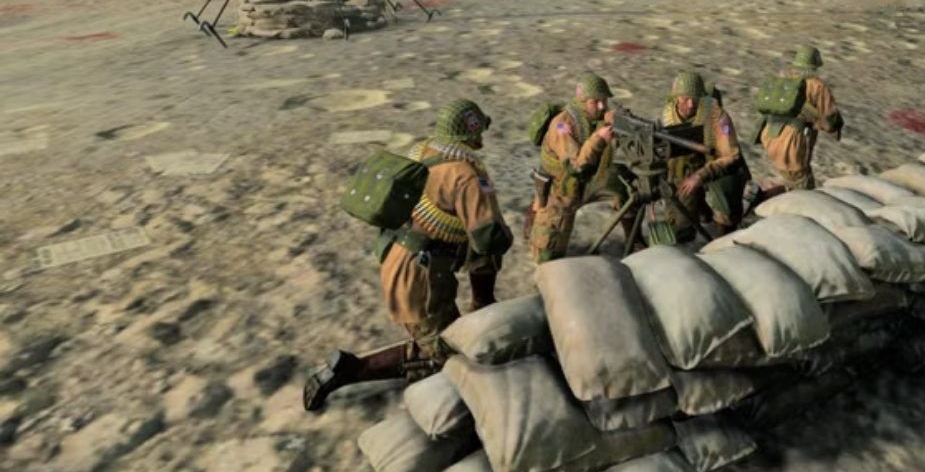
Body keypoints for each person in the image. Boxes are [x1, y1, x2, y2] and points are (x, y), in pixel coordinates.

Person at [303, 99, 512, 412]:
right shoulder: (466, 174)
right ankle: (351, 370)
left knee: (440, 334)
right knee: (448, 354)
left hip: (399, 255)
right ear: (471, 131)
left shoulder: (423, 150)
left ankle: (462, 319)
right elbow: (488, 238)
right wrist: (500, 235)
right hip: (420, 278)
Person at [528, 73, 636, 263]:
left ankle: (634, 239)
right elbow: (575, 166)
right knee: (548, 256)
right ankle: (535, 221)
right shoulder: (563, 125)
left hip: (589, 178)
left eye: (604, 100)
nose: (601, 106)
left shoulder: (599, 116)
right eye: (595, 102)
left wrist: (623, 124)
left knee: (627, 185)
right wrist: (599, 139)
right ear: (582, 101)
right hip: (563, 186)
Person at [660, 71, 749, 237]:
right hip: (690, 166)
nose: (690, 105)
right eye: (685, 99)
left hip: (722, 166)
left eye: (695, 99)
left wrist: (700, 176)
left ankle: (725, 234)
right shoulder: (668, 115)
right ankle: (699, 212)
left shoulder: (717, 115)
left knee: (725, 200)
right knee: (680, 221)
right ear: (676, 97)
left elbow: (731, 156)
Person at [757, 46, 845, 190]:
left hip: (771, 136)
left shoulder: (784, 79)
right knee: (803, 184)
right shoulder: (817, 85)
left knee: (788, 177)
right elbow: (830, 122)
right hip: (793, 142)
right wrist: (831, 125)